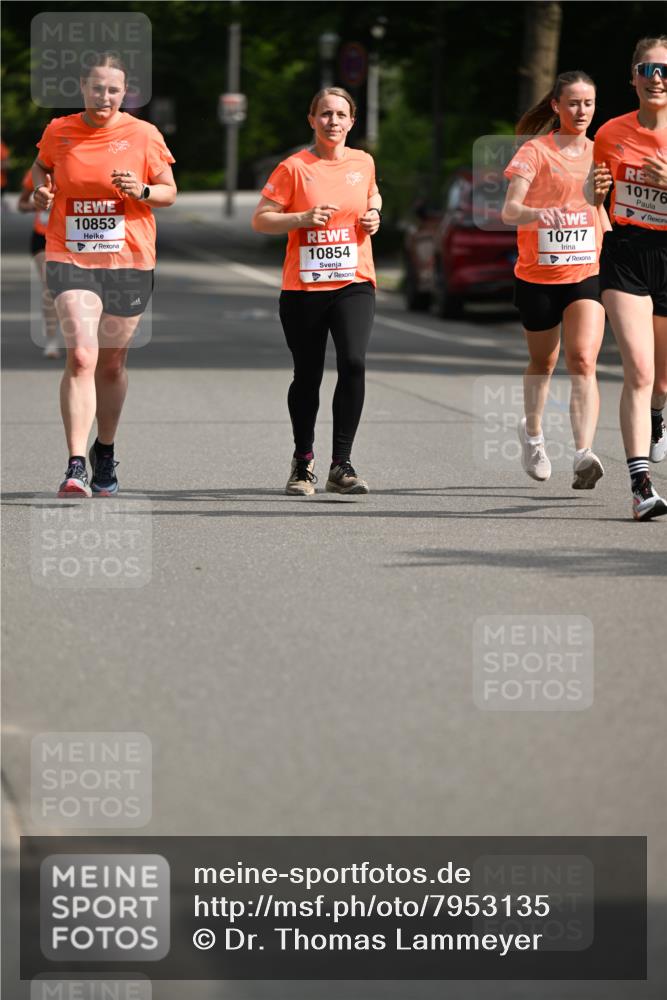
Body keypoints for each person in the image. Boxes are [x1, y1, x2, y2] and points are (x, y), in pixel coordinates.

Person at [31, 52, 176, 497]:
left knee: (111, 365)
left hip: (129, 260)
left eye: (114, 90)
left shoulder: (144, 134)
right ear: (83, 88)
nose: (105, 96)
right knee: (82, 357)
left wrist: (144, 190)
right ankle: (75, 464)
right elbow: (42, 167)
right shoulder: (60, 131)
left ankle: (105, 450)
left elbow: (169, 191)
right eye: (98, 88)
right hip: (70, 256)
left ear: (124, 92)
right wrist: (41, 187)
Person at [251, 87, 381, 495]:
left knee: (354, 362)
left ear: (352, 121)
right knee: (307, 376)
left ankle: (341, 464)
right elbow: (261, 219)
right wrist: (302, 217)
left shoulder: (363, 161)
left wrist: (375, 212)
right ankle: (302, 461)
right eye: (325, 114)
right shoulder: (293, 168)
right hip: (304, 286)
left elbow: (372, 194)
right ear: (312, 119)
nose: (333, 121)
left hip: (354, 281)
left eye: (341, 114)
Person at [502, 71, 612, 490]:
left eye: (588, 104)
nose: (581, 111)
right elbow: (510, 211)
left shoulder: (602, 151)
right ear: (556, 106)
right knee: (544, 361)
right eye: (573, 103)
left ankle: (584, 453)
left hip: (586, 268)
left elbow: (602, 210)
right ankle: (532, 436)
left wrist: (608, 228)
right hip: (537, 273)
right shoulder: (535, 152)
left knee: (583, 358)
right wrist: (540, 214)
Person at [594, 36, 667, 520]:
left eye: (665, 70)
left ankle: (658, 416)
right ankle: (641, 486)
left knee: (662, 381)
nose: (657, 78)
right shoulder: (609, 133)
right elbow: (596, 201)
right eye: (648, 69)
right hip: (625, 254)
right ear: (633, 77)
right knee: (638, 371)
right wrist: (591, 193)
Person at [18, 168, 61, 358]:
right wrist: (39, 204)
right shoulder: (36, 173)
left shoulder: (83, 166)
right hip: (43, 237)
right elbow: (21, 204)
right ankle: (52, 340)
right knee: (50, 286)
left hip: (73, 237)